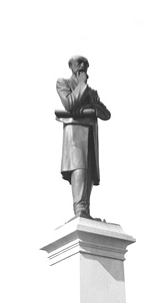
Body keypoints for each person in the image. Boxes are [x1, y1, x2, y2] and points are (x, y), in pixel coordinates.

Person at [56, 55, 111, 218]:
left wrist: (91, 106)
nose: (82, 66)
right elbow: (69, 104)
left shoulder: (92, 92)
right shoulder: (63, 83)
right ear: (71, 66)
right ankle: (79, 209)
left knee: (90, 171)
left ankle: (85, 211)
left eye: (85, 63)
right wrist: (82, 85)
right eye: (78, 62)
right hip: (75, 134)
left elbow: (106, 114)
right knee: (79, 167)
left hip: (90, 134)